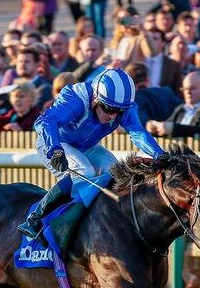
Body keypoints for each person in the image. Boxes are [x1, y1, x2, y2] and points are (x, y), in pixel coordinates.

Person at [17, 68, 166, 244]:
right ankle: (37, 219)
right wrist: (55, 149)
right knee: (85, 171)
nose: (112, 116)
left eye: (119, 112)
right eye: (108, 109)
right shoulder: (76, 98)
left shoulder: (123, 104)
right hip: (54, 143)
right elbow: (44, 121)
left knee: (115, 173)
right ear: (95, 98)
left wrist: (160, 155)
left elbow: (138, 133)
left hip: (87, 146)